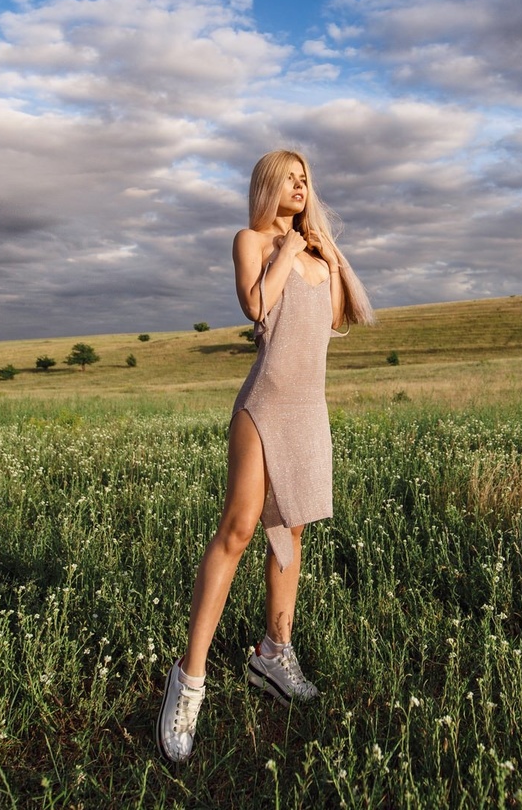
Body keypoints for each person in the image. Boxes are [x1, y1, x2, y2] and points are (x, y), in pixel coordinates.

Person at [158, 149, 377, 763]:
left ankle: (273, 654)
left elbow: (336, 322)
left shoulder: (317, 252)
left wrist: (327, 256)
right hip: (265, 404)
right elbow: (257, 308)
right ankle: (189, 680)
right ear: (268, 185)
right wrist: (286, 250)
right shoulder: (250, 240)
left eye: (307, 179)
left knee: (293, 529)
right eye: (292, 178)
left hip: (310, 408)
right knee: (240, 528)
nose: (303, 186)